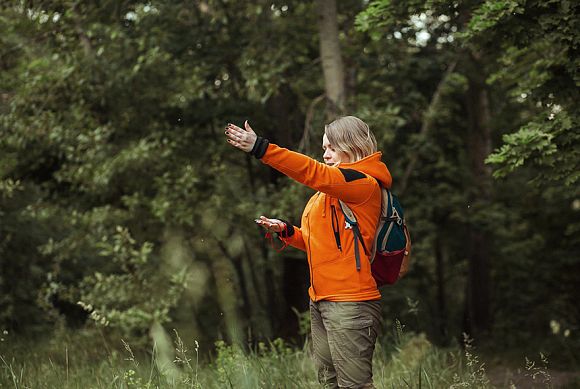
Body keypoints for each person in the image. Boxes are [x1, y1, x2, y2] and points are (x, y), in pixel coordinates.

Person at [224, 116, 392, 389]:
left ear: (352, 146)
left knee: (355, 386)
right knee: (329, 383)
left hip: (350, 303)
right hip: (321, 301)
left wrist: (261, 148)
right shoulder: (325, 196)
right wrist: (288, 231)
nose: (325, 154)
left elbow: (312, 172)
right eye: (323, 148)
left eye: (331, 148)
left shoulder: (363, 184)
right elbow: (319, 243)